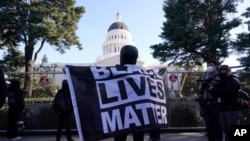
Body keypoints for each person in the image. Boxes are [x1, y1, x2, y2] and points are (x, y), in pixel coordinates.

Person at [113, 45, 144, 141]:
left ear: (122, 58)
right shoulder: (144, 73)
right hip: (140, 114)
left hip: (121, 114)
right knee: (139, 138)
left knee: (119, 139)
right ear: (135, 59)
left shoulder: (114, 73)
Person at [208, 65, 241, 141]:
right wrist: (210, 89)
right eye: (220, 71)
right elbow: (216, 94)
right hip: (223, 109)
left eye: (224, 70)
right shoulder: (222, 82)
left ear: (229, 71)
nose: (222, 72)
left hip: (232, 110)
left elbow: (225, 93)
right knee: (226, 133)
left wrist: (214, 88)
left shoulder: (234, 81)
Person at [197, 60, 223, 141]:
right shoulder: (204, 75)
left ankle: (219, 138)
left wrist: (211, 85)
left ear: (215, 66)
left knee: (217, 124)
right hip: (205, 103)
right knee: (209, 124)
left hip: (215, 103)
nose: (209, 67)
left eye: (211, 65)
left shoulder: (218, 76)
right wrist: (202, 86)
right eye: (208, 65)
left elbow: (220, 88)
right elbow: (199, 88)